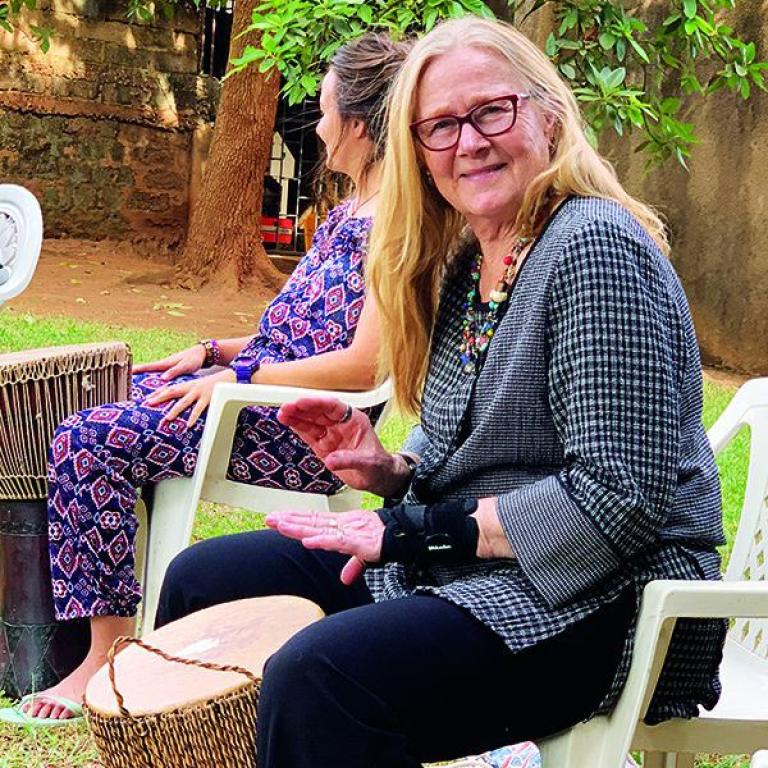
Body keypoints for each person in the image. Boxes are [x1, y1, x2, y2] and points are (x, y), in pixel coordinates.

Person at [156, 16, 726, 768]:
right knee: (203, 581)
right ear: (418, 152)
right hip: (479, 564)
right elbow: (466, 447)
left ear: (548, 114)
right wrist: (388, 471)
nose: (469, 142)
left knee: (325, 679)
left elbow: (618, 500)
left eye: (492, 111)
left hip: (615, 600)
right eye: (440, 127)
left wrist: (415, 531)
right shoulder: (470, 258)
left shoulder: (594, 247)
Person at [2, 32, 411, 725]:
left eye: (325, 110)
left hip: (293, 429)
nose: (316, 124)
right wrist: (215, 350)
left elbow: (366, 365)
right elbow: (303, 327)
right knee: (98, 402)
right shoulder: (347, 214)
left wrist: (239, 379)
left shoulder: (397, 226)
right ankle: (57, 626)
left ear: (362, 129)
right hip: (255, 397)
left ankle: (105, 655)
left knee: (86, 437)